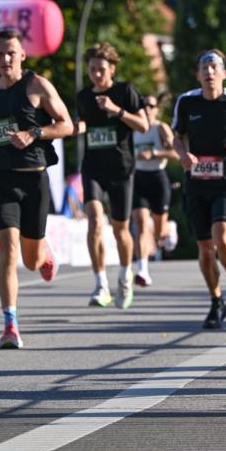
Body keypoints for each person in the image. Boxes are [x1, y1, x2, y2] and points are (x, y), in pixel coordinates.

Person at [0, 28, 73, 348]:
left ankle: (44, 254)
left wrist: (34, 134)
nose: (5, 59)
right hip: (2, 180)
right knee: (8, 253)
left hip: (34, 179)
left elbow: (67, 124)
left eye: (11, 53)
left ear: (22, 55)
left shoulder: (37, 85)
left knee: (29, 259)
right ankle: (10, 324)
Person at [172, 48, 226, 329]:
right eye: (204, 67)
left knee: (223, 237)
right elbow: (177, 136)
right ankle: (216, 300)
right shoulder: (186, 103)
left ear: (224, 73)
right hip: (196, 185)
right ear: (197, 75)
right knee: (206, 249)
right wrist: (183, 155)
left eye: (214, 67)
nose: (209, 71)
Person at [75, 42, 148, 309]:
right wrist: (74, 128)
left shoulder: (125, 91)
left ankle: (125, 275)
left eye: (101, 69)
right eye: (92, 69)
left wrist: (116, 110)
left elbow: (143, 125)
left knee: (120, 230)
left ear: (112, 69)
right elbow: (85, 123)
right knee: (94, 221)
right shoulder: (83, 97)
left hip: (122, 169)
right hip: (93, 168)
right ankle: (100, 285)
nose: (96, 75)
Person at [131, 93, 178, 286]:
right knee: (141, 224)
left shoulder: (161, 128)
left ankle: (169, 227)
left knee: (158, 232)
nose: (147, 110)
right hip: (138, 178)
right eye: (143, 106)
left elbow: (176, 152)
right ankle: (142, 269)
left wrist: (154, 153)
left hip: (158, 178)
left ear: (157, 109)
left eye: (151, 106)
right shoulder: (132, 129)